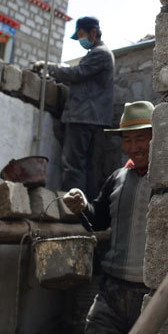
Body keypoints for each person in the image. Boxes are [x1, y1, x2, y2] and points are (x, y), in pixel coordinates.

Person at [62, 101, 154, 334]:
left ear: (157, 136)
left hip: (153, 294)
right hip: (111, 292)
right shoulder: (117, 178)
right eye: (127, 140)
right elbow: (98, 222)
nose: (134, 147)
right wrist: (82, 206)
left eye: (141, 138)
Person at [40, 16, 114, 198]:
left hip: (83, 117)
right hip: (90, 117)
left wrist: (49, 68)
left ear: (93, 33)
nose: (81, 40)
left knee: (73, 165)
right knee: (85, 166)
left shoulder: (100, 53)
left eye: (81, 35)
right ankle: (84, 213)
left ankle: (73, 212)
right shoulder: (99, 54)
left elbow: (77, 73)